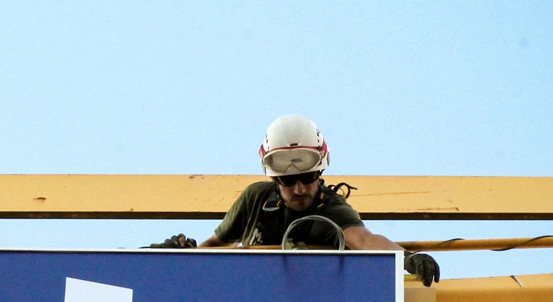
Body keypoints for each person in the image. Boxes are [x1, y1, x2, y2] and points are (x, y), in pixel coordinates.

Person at [156, 115, 440, 285]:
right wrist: (179, 257)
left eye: (308, 178)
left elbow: (364, 240)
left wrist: (407, 258)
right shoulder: (256, 199)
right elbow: (216, 246)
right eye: (288, 181)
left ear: (321, 173)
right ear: (274, 180)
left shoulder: (331, 210)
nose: (300, 188)